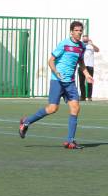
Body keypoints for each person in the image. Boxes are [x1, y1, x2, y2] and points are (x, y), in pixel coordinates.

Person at [19, 20, 93, 149]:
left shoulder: (82, 46)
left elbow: (80, 62)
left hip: (70, 82)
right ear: (71, 32)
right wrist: (56, 72)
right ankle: (26, 122)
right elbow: (51, 61)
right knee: (53, 109)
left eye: (80, 30)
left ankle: (70, 141)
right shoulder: (64, 44)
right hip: (57, 81)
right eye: (76, 30)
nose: (79, 32)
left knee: (75, 108)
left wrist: (86, 74)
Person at [79, 34, 99, 101]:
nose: (85, 40)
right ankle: (83, 97)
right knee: (81, 82)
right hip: (82, 66)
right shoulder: (80, 45)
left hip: (90, 66)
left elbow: (97, 50)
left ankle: (89, 97)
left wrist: (92, 44)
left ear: (88, 39)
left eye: (86, 39)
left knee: (89, 82)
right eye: (84, 39)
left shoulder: (91, 46)